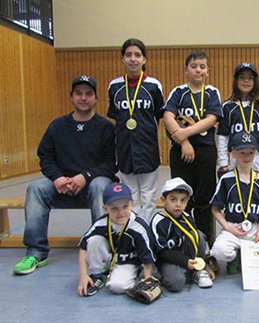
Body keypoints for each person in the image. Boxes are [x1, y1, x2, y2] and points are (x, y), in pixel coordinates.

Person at [13, 75, 116, 275]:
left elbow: (111, 164)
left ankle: (102, 251)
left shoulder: (105, 128)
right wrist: (57, 177)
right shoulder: (57, 126)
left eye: (88, 94)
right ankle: (36, 252)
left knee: (100, 185)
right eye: (79, 93)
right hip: (61, 186)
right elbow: (45, 156)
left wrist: (85, 176)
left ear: (96, 99)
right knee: (35, 189)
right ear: (71, 97)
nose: (83, 98)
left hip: (91, 186)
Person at [162, 51, 222, 243]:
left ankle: (206, 244)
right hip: (181, 152)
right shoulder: (178, 92)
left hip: (205, 152)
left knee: (205, 200)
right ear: (185, 70)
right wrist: (184, 142)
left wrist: (185, 133)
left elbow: (212, 119)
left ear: (208, 71)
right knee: (180, 197)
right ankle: (182, 241)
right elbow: (168, 117)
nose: (198, 70)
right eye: (194, 66)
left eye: (202, 67)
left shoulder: (212, 92)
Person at [108, 38, 164, 222]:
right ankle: (131, 230)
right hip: (125, 149)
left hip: (148, 148)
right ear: (122, 59)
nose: (133, 59)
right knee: (129, 196)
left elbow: (157, 116)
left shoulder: (154, 86)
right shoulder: (114, 86)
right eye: (128, 55)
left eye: (138, 55)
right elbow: (116, 117)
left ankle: (145, 232)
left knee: (148, 197)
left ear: (144, 59)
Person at [210, 132, 259, 274]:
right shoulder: (226, 180)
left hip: (254, 230)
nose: (246, 157)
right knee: (218, 251)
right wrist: (227, 227)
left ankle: (245, 255)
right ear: (233, 154)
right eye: (242, 153)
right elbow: (215, 209)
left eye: (250, 153)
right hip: (233, 229)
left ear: (255, 154)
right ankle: (235, 256)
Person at [77, 183, 156, 296]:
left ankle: (133, 273)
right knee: (94, 240)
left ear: (132, 204)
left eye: (125, 206)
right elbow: (83, 247)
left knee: (117, 287)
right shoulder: (101, 223)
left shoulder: (139, 227)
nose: (121, 213)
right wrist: (83, 275)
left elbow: (148, 256)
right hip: (111, 258)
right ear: (105, 209)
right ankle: (97, 275)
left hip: (129, 261)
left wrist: (147, 280)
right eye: (114, 208)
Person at [150, 177, 215, 291]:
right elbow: (162, 253)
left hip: (186, 256)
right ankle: (162, 274)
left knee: (198, 235)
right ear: (163, 200)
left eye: (183, 200)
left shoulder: (188, 217)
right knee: (177, 284)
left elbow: (195, 244)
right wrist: (185, 262)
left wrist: (204, 265)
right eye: (173, 200)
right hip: (167, 259)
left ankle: (198, 271)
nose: (178, 204)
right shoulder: (158, 221)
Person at [217, 63, 259, 177]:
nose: (246, 81)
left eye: (250, 78)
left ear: (255, 82)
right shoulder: (228, 107)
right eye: (242, 77)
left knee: (257, 191)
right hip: (235, 157)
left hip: (257, 157)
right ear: (236, 81)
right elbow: (223, 137)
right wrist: (223, 163)